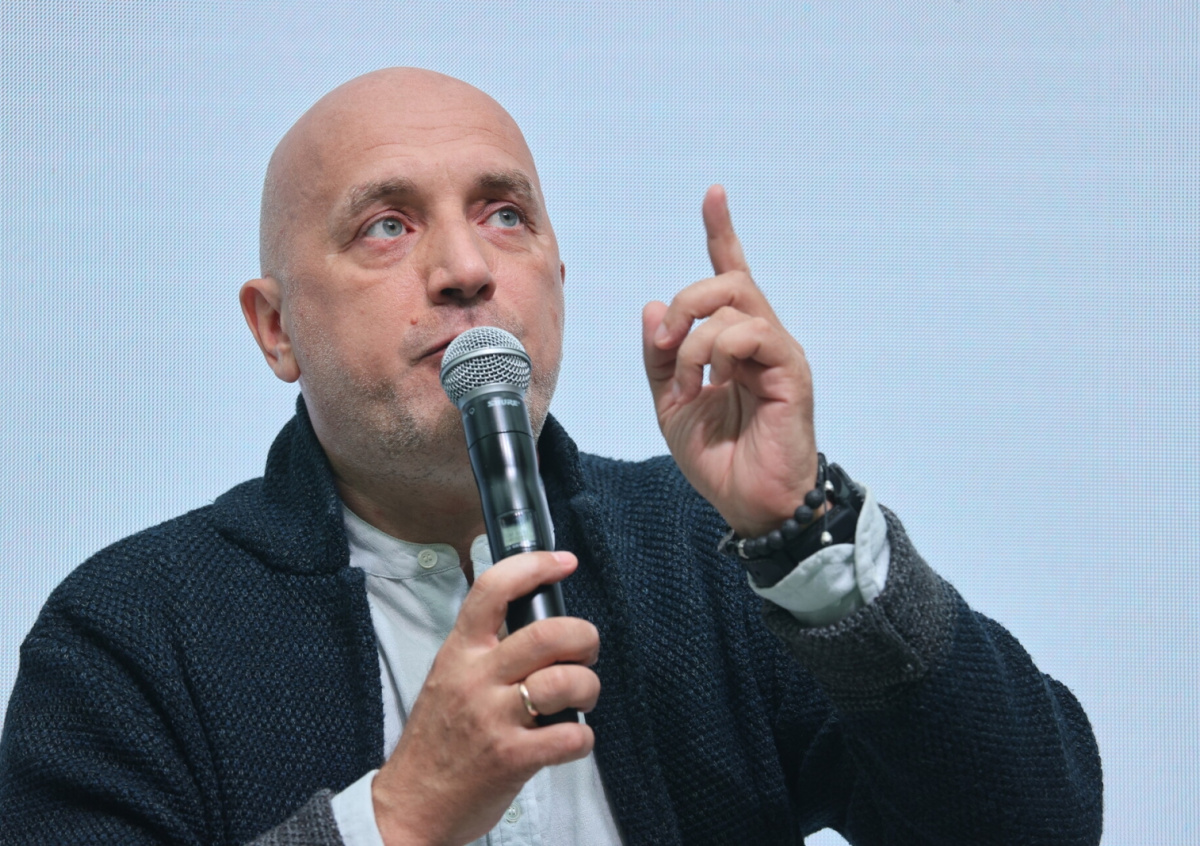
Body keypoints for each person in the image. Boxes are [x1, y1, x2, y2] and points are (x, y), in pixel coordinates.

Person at [0, 68, 1102, 845]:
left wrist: (800, 530)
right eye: (387, 225)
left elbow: (1035, 822)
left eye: (504, 215)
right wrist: (396, 820)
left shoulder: (706, 553)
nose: (466, 269)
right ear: (275, 327)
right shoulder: (129, 633)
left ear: (557, 283)